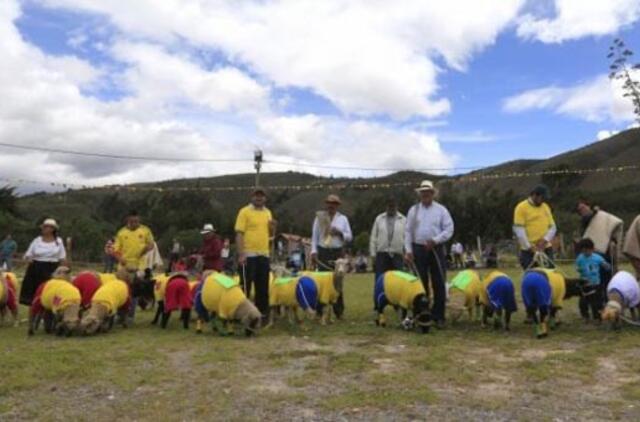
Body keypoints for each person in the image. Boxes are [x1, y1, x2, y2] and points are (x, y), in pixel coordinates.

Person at [405, 180, 454, 328]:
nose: (425, 194)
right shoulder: (413, 210)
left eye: (428, 192)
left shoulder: (441, 210)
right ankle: (422, 314)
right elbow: (408, 231)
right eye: (423, 192)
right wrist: (408, 250)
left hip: (435, 248)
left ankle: (438, 316)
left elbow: (449, 229)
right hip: (418, 249)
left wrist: (435, 240)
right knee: (420, 283)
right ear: (420, 194)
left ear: (433, 194)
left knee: (439, 282)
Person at [235, 187, 276, 323]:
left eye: (262, 196)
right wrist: (241, 254)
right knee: (245, 286)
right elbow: (239, 233)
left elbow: (271, 234)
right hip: (248, 255)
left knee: (263, 287)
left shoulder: (268, 213)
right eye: (256, 196)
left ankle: (261, 316)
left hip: (263, 254)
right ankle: (242, 314)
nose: (259, 198)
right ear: (251, 197)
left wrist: (273, 228)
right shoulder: (244, 211)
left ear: (265, 198)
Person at [311, 194, 353, 318]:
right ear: (326, 204)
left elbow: (349, 236)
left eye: (334, 203)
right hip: (323, 251)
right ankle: (320, 311)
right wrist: (313, 252)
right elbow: (314, 236)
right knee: (322, 282)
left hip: (337, 252)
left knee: (338, 283)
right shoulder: (319, 218)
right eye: (329, 203)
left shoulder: (343, 219)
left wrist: (339, 233)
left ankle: (338, 311)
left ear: (337, 205)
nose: (331, 205)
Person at [112, 210, 155, 322]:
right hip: (124, 266)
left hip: (139, 265)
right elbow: (115, 250)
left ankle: (130, 315)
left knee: (134, 291)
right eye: (132, 221)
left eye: (137, 221)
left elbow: (151, 244)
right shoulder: (121, 233)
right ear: (128, 220)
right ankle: (119, 314)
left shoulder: (145, 230)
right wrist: (120, 258)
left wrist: (146, 248)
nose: (135, 223)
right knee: (121, 289)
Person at [576, 198, 622, 294]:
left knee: (606, 275)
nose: (582, 211)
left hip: (605, 252)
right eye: (580, 210)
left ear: (589, 206)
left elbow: (611, 227)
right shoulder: (584, 221)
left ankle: (607, 294)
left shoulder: (598, 216)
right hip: (591, 253)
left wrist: (595, 212)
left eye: (583, 207)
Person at [19, 219, 67, 305]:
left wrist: (64, 270)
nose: (43, 229)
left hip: (52, 269)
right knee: (34, 293)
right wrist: (28, 258)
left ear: (52, 229)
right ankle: (33, 313)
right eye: (43, 227)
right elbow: (28, 254)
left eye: (46, 227)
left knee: (49, 291)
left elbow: (62, 257)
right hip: (36, 268)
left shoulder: (58, 241)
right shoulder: (37, 240)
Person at [513, 185, 557, 270]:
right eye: (542, 197)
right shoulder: (521, 208)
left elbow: (553, 227)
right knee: (532, 275)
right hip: (528, 251)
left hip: (545, 248)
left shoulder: (545, 207)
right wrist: (529, 247)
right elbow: (519, 230)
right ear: (535, 195)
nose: (544, 200)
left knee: (550, 274)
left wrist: (544, 240)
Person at [369, 197, 406, 280]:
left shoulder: (403, 220)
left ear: (397, 206)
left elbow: (406, 238)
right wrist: (373, 254)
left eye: (393, 206)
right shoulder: (379, 218)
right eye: (389, 206)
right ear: (386, 206)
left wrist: (407, 252)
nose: (391, 208)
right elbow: (373, 237)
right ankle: (379, 293)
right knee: (380, 280)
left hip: (397, 255)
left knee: (398, 280)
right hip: (382, 254)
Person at [575, 238, 611, 322]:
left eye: (587, 251)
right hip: (584, 284)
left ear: (592, 249)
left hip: (596, 284)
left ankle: (598, 317)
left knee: (597, 303)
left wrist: (606, 266)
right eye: (583, 251)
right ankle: (585, 316)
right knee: (583, 302)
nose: (585, 253)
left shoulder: (597, 258)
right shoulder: (580, 258)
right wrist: (578, 269)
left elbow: (606, 265)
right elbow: (577, 267)